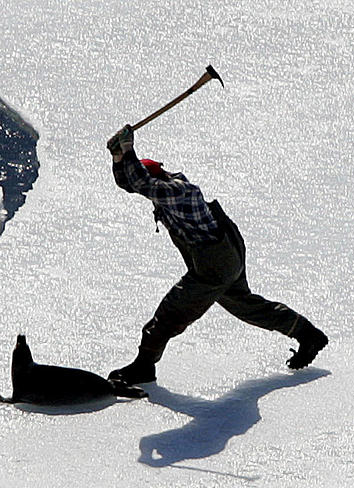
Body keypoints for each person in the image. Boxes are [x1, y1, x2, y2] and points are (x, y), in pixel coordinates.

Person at [106, 124, 328, 385]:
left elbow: (141, 183)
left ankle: (143, 367)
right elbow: (132, 183)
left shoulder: (179, 191)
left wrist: (130, 149)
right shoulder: (162, 187)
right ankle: (307, 334)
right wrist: (118, 156)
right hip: (224, 255)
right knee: (247, 306)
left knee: (168, 314)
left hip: (213, 265)